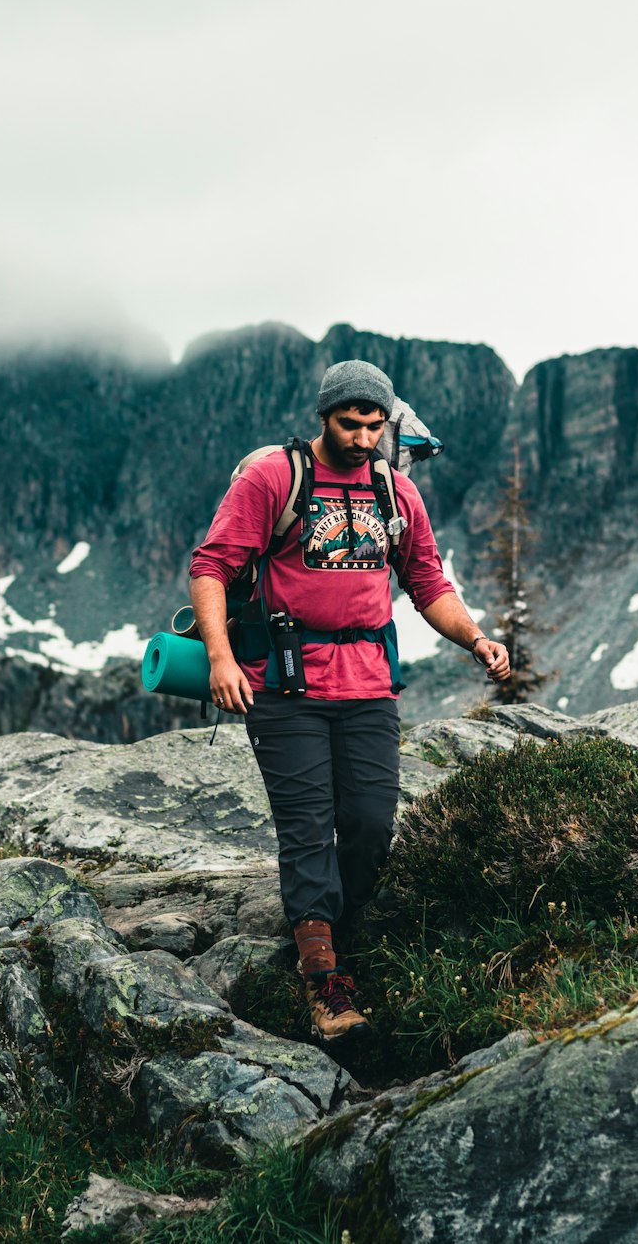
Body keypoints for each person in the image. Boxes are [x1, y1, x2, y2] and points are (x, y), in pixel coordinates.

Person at [189, 359, 510, 1041]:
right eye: (349, 424)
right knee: (307, 827)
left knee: (368, 823)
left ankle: (334, 934)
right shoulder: (275, 476)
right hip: (285, 683)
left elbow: (427, 585)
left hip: (368, 683)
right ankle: (324, 984)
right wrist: (220, 657)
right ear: (323, 417)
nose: (363, 438)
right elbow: (212, 565)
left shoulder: (396, 493)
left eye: (374, 426)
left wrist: (475, 640)